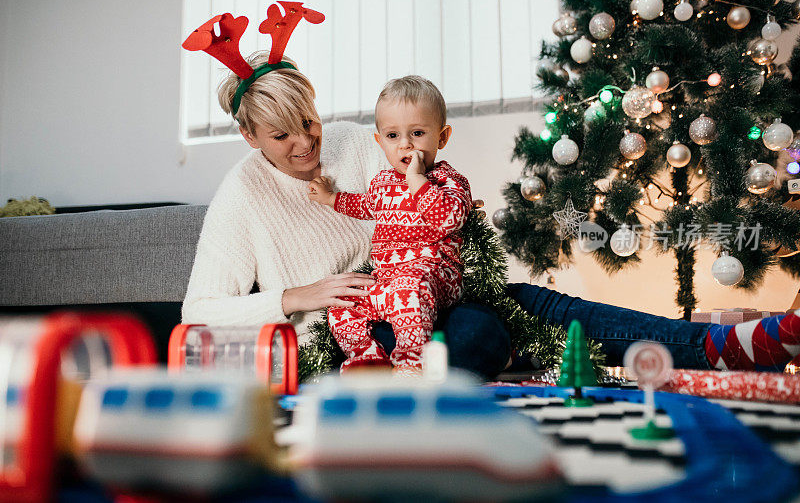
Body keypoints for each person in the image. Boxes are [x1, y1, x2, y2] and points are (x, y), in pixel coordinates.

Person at [182, 51, 800, 378]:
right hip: (356, 332)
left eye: (309, 123)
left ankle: (719, 344)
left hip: (425, 289)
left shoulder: (352, 141)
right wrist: (299, 295)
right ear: (248, 136)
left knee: (535, 303)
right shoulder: (241, 197)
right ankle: (421, 380)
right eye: (283, 137)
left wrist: (444, 207)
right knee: (479, 338)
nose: (306, 145)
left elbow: (414, 202)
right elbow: (199, 312)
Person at [307, 76, 470, 375]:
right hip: (387, 280)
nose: (405, 144)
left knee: (409, 287)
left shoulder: (447, 180)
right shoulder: (382, 182)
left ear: (442, 138)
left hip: (434, 276)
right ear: (380, 141)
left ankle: (411, 363)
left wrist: (418, 182)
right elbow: (366, 206)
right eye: (393, 136)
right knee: (342, 303)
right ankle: (367, 358)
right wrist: (331, 198)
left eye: (417, 133)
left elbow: (450, 218)